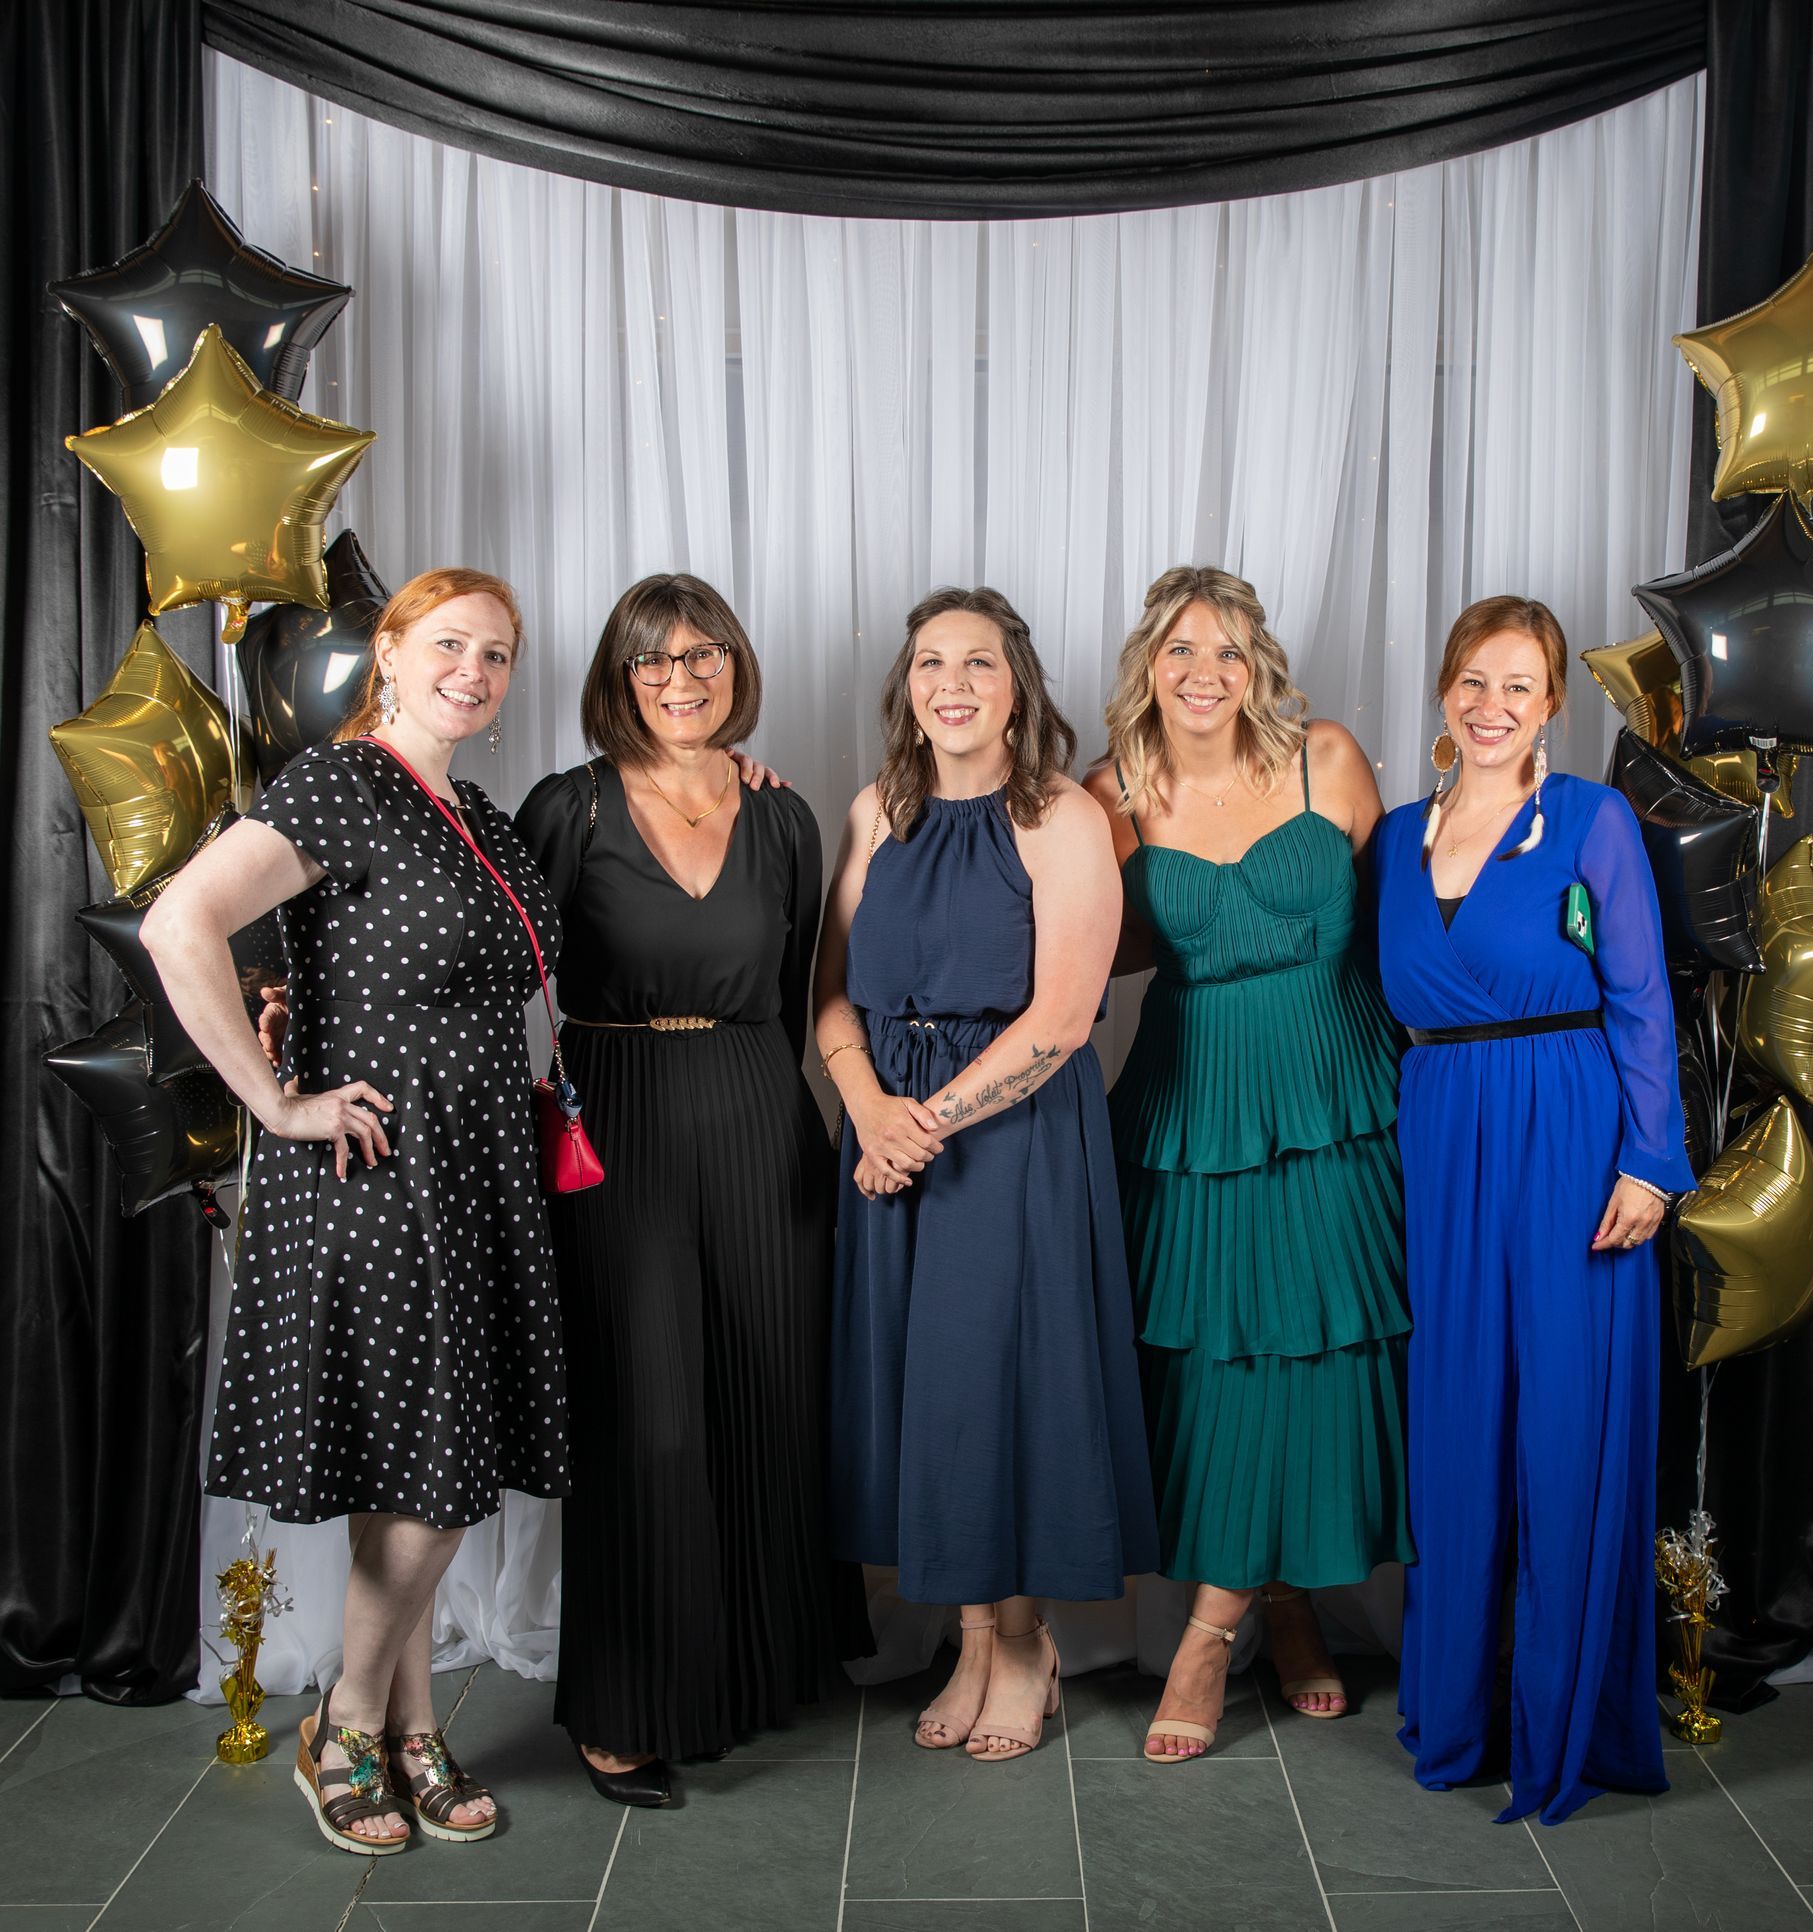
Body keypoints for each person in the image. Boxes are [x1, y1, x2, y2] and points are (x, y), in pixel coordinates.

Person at [143, 569, 567, 1853]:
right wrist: (276, 1104)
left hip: (480, 1165)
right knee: (431, 1474)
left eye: (495, 653)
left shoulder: (479, 813)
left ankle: (408, 1728)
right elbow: (182, 924)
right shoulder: (343, 782)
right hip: (378, 1172)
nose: (473, 670)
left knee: (431, 1464)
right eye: (447, 644)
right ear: (388, 653)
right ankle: (348, 1722)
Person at [514, 574, 864, 1808]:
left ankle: (759, 1674)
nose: (680, 680)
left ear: (734, 666)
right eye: (653, 661)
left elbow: (810, 982)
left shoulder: (785, 817)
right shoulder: (569, 807)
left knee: (767, 1398)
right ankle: (625, 1706)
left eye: (703, 656)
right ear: (619, 678)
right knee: (648, 1417)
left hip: (765, 1121)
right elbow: (487, 956)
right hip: (621, 1124)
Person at [816, 585, 1159, 1763]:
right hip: (891, 1133)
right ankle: (969, 1639)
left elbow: (1064, 1016)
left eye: (977, 663)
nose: (951, 684)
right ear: (906, 690)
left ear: (1019, 685)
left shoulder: (1061, 814)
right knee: (929, 1395)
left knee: (1002, 1388)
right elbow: (828, 995)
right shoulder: (875, 811)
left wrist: (927, 1127)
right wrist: (870, 1112)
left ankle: (1026, 1646)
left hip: (1008, 1139)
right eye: (929, 665)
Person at [1373, 594, 1694, 1825]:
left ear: (1552, 701)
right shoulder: (1397, 838)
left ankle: (1568, 1724)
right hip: (1443, 1135)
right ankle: (1461, 1715)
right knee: (1457, 1430)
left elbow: (1642, 999)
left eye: (1518, 684)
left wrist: (1650, 1162)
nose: (1491, 704)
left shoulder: (1593, 822)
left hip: (1573, 1140)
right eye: (1472, 679)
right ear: (1446, 691)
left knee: (1564, 1428)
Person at [1086, 566, 1412, 1763]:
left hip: (1337, 1104)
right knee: (1215, 1376)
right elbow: (1066, 957)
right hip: (1194, 1113)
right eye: (1179, 651)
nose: (1204, 673)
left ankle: (1247, 1619)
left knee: (1319, 1364)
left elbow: (1412, 934)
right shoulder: (1112, 792)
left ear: (1257, 661)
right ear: (1148, 667)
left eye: (1226, 650)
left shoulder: (1329, 757)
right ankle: (1250, 1613)